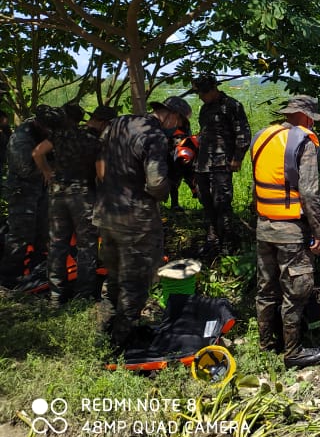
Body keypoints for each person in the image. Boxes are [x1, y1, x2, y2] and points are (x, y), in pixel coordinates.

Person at [96, 96, 190, 347]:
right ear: (170, 115)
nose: (176, 127)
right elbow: (156, 184)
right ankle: (122, 341)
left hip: (107, 211)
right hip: (135, 219)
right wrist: (175, 173)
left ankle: (104, 329)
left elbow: (101, 160)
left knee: (114, 275)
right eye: (178, 121)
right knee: (135, 281)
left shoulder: (118, 123)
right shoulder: (155, 136)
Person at [252, 95, 320, 368]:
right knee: (295, 291)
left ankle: (266, 344)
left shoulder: (262, 136)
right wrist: (319, 233)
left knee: (266, 288)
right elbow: (309, 193)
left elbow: (255, 183)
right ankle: (294, 351)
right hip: (290, 229)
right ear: (306, 116)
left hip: (264, 224)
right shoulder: (303, 141)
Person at [32, 104, 116, 303]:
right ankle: (84, 295)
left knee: (57, 244)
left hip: (58, 193)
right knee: (86, 246)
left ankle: (56, 295)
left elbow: (37, 152)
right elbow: (101, 174)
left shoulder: (58, 137)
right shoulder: (93, 142)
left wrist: (46, 172)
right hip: (83, 196)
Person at [192, 74, 251, 256]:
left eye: (203, 93)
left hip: (222, 163)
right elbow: (204, 133)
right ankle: (212, 242)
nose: (201, 96)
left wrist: (238, 158)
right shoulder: (204, 109)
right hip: (203, 163)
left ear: (213, 89)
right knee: (206, 203)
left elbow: (243, 133)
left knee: (222, 203)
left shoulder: (231, 106)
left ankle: (227, 244)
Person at [0, 107, 55, 288]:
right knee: (20, 235)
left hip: (40, 189)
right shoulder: (21, 139)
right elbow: (25, 169)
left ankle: (35, 271)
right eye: (48, 128)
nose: (50, 132)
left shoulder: (42, 132)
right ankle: (9, 278)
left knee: (42, 232)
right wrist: (48, 164)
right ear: (39, 123)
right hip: (22, 191)